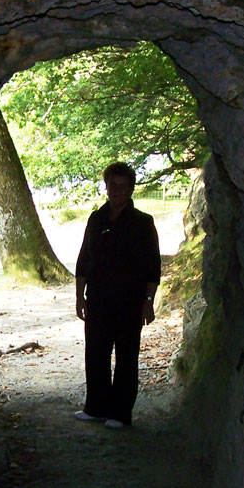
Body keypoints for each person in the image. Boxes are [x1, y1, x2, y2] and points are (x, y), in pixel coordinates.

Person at [74, 162, 162, 429]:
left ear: (131, 188)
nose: (118, 190)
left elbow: (152, 267)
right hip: (99, 299)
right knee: (96, 354)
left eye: (123, 186)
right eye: (113, 185)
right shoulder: (96, 219)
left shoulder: (143, 223)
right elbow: (84, 260)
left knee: (126, 357)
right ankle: (97, 407)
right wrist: (80, 297)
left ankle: (121, 413)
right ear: (106, 186)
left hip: (129, 302)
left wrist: (148, 302)